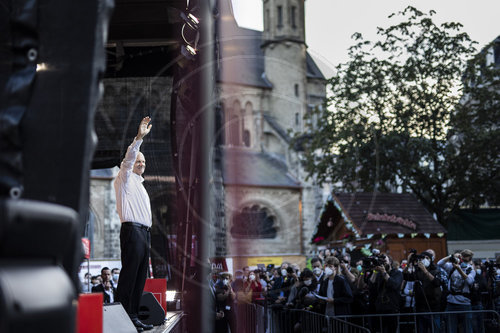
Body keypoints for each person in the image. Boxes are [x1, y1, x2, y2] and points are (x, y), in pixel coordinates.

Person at [114, 117, 154, 332]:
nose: (141, 164)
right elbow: (129, 159)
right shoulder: (124, 178)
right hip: (132, 231)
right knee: (130, 275)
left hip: (143, 232)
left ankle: (133, 316)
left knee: (140, 276)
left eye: (144, 162)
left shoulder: (141, 185)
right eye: (139, 161)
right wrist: (138, 138)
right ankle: (123, 317)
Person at [403, 251, 443, 333]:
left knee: (435, 329)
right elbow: (406, 276)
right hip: (420, 308)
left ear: (431, 260)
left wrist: (425, 270)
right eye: (422, 258)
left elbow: (437, 282)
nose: (425, 260)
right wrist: (408, 262)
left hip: (433, 308)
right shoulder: (418, 272)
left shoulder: (436, 271)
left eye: (427, 258)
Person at [437, 249, 476, 333]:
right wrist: (451, 257)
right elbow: (439, 263)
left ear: (470, 260)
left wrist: (459, 269)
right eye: (463, 258)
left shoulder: (471, 270)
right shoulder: (451, 266)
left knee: (467, 329)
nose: (464, 261)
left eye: (466, 259)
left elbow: (469, 281)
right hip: (451, 302)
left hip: (465, 303)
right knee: (451, 329)